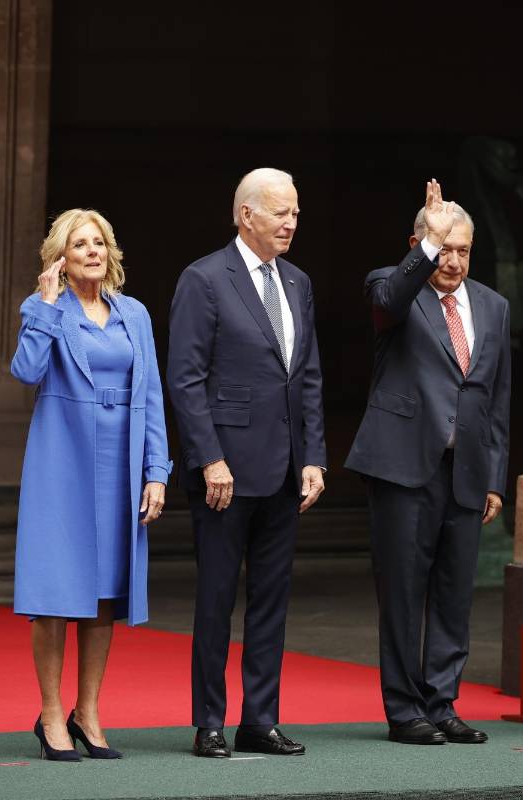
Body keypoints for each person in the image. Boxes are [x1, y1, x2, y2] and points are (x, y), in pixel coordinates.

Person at [167, 168, 327, 758]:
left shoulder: (299, 282)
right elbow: (185, 379)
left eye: (295, 213)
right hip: (224, 477)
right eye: (280, 212)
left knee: (271, 600)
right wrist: (209, 458)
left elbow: (306, 374)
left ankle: (259, 719)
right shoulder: (204, 279)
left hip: (284, 472)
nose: (291, 222)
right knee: (215, 600)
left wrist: (314, 458)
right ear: (246, 215)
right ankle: (209, 720)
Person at [345, 180, 511, 746]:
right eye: (444, 248)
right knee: (402, 593)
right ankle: (404, 709)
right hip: (402, 469)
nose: (454, 260)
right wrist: (427, 244)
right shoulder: (392, 289)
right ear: (417, 243)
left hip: (464, 471)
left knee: (453, 592)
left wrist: (494, 477)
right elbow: (388, 301)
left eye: (463, 250)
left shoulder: (494, 305)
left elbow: (495, 400)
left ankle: (443, 704)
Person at [10, 209, 172, 761]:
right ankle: (51, 713)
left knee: (104, 593)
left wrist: (157, 472)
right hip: (62, 459)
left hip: (120, 462)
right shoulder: (44, 309)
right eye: (80, 244)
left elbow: (151, 395)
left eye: (99, 242)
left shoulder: (135, 314)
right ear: (61, 256)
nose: (92, 252)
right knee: (57, 593)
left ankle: (88, 710)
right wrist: (47, 306)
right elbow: (26, 373)